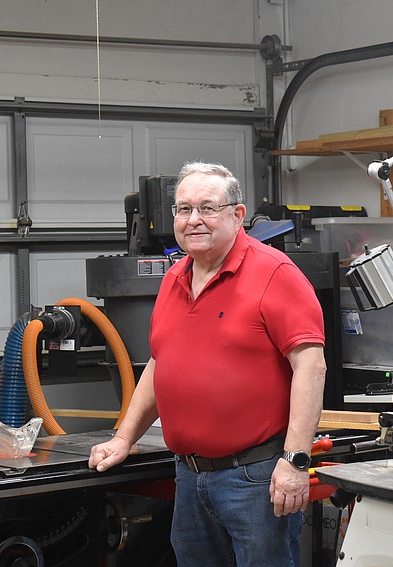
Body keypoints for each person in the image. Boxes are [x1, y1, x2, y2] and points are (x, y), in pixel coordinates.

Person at [88, 161, 327, 567]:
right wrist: (123, 438)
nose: (193, 220)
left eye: (207, 208)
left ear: (236, 215)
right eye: (183, 209)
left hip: (255, 477)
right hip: (189, 476)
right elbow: (159, 363)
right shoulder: (173, 278)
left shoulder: (274, 273)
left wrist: (295, 460)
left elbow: (311, 367)